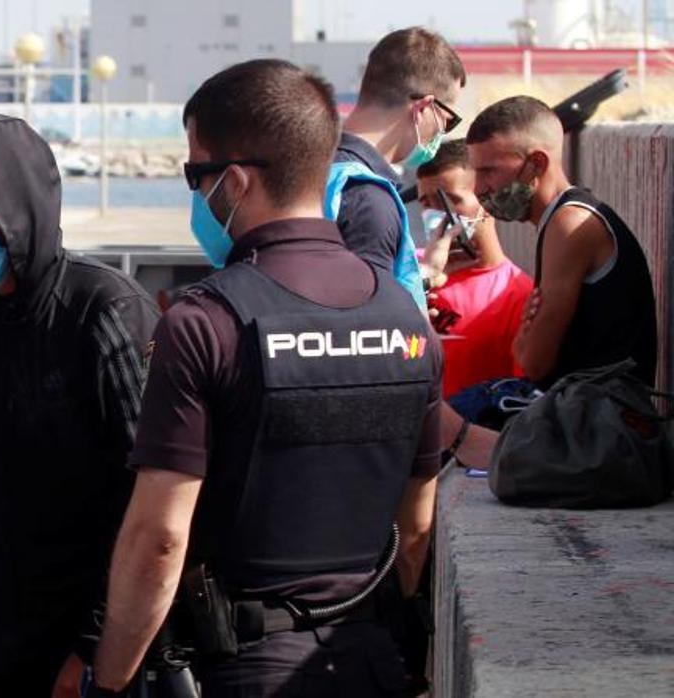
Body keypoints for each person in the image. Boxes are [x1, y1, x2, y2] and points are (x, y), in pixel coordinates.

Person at [88, 60, 442, 697]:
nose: (194, 193)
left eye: (195, 174)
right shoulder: (405, 317)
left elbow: (161, 539)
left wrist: (109, 680)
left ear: (235, 181)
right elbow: (415, 527)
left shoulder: (206, 322)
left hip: (246, 668)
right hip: (372, 659)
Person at [0, 115, 160, 697]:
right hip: (11, 648)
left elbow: (149, 502)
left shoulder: (106, 313)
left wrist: (94, 650)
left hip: (113, 653)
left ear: (16, 205)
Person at [466, 96, 657, 388]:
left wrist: (521, 339)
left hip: (598, 423)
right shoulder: (559, 220)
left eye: (488, 171)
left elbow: (532, 362)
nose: (478, 188)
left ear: (536, 164)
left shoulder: (569, 224)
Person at [328, 27, 467, 310]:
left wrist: (423, 276)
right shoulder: (366, 197)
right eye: (448, 121)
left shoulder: (316, 166)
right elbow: (368, 323)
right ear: (424, 108)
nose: (442, 133)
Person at [416, 139, 535, 398]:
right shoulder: (408, 272)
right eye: (426, 203)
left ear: (485, 201)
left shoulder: (515, 293)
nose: (436, 214)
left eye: (450, 200)